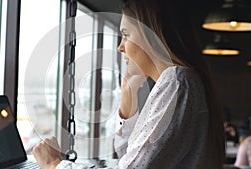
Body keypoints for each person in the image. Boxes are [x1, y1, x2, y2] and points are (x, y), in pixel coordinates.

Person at [32, 0, 225, 168]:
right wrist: (128, 95)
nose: (120, 46)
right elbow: (132, 158)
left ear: (151, 35)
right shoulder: (178, 81)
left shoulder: (177, 82)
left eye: (126, 34)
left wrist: (54, 165)